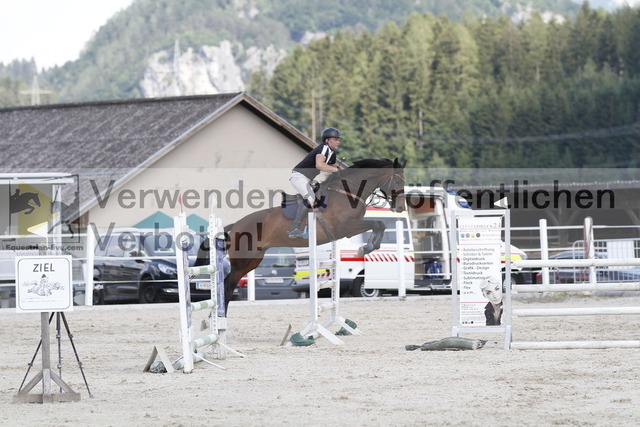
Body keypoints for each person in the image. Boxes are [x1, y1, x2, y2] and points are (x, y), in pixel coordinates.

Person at [288, 127, 341, 238]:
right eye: (335, 139)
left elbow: (333, 165)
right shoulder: (324, 148)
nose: (338, 142)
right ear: (327, 140)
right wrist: (336, 170)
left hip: (307, 179)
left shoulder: (331, 153)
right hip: (298, 176)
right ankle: (294, 229)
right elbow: (320, 165)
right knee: (310, 198)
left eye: (338, 139)